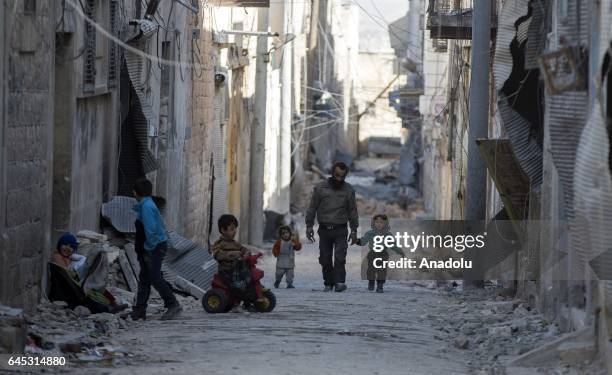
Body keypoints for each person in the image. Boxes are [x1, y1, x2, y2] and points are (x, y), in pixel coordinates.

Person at [130, 178, 182, 321]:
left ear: (136, 192)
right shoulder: (145, 205)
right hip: (150, 247)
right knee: (145, 278)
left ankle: (172, 304)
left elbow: (150, 230)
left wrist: (148, 248)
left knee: (154, 277)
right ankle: (139, 310)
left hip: (153, 247)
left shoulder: (146, 207)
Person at [305, 161, 359, 292]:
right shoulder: (320, 188)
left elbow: (352, 210)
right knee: (325, 258)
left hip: (341, 229)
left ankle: (340, 282)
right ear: (332, 173)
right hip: (324, 229)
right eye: (337, 175)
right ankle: (328, 282)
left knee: (340, 257)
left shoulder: (348, 190)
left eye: (342, 176)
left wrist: (354, 230)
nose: (339, 179)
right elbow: (312, 208)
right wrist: (309, 226)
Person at [357, 214, 405, 293]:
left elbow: (393, 245)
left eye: (381, 222)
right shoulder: (370, 233)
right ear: (373, 223)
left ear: (385, 224)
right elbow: (363, 241)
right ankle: (371, 282)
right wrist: (356, 240)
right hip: (372, 254)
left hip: (383, 254)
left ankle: (380, 285)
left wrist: (400, 252)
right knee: (371, 269)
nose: (379, 224)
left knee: (382, 270)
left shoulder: (388, 235)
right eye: (377, 222)